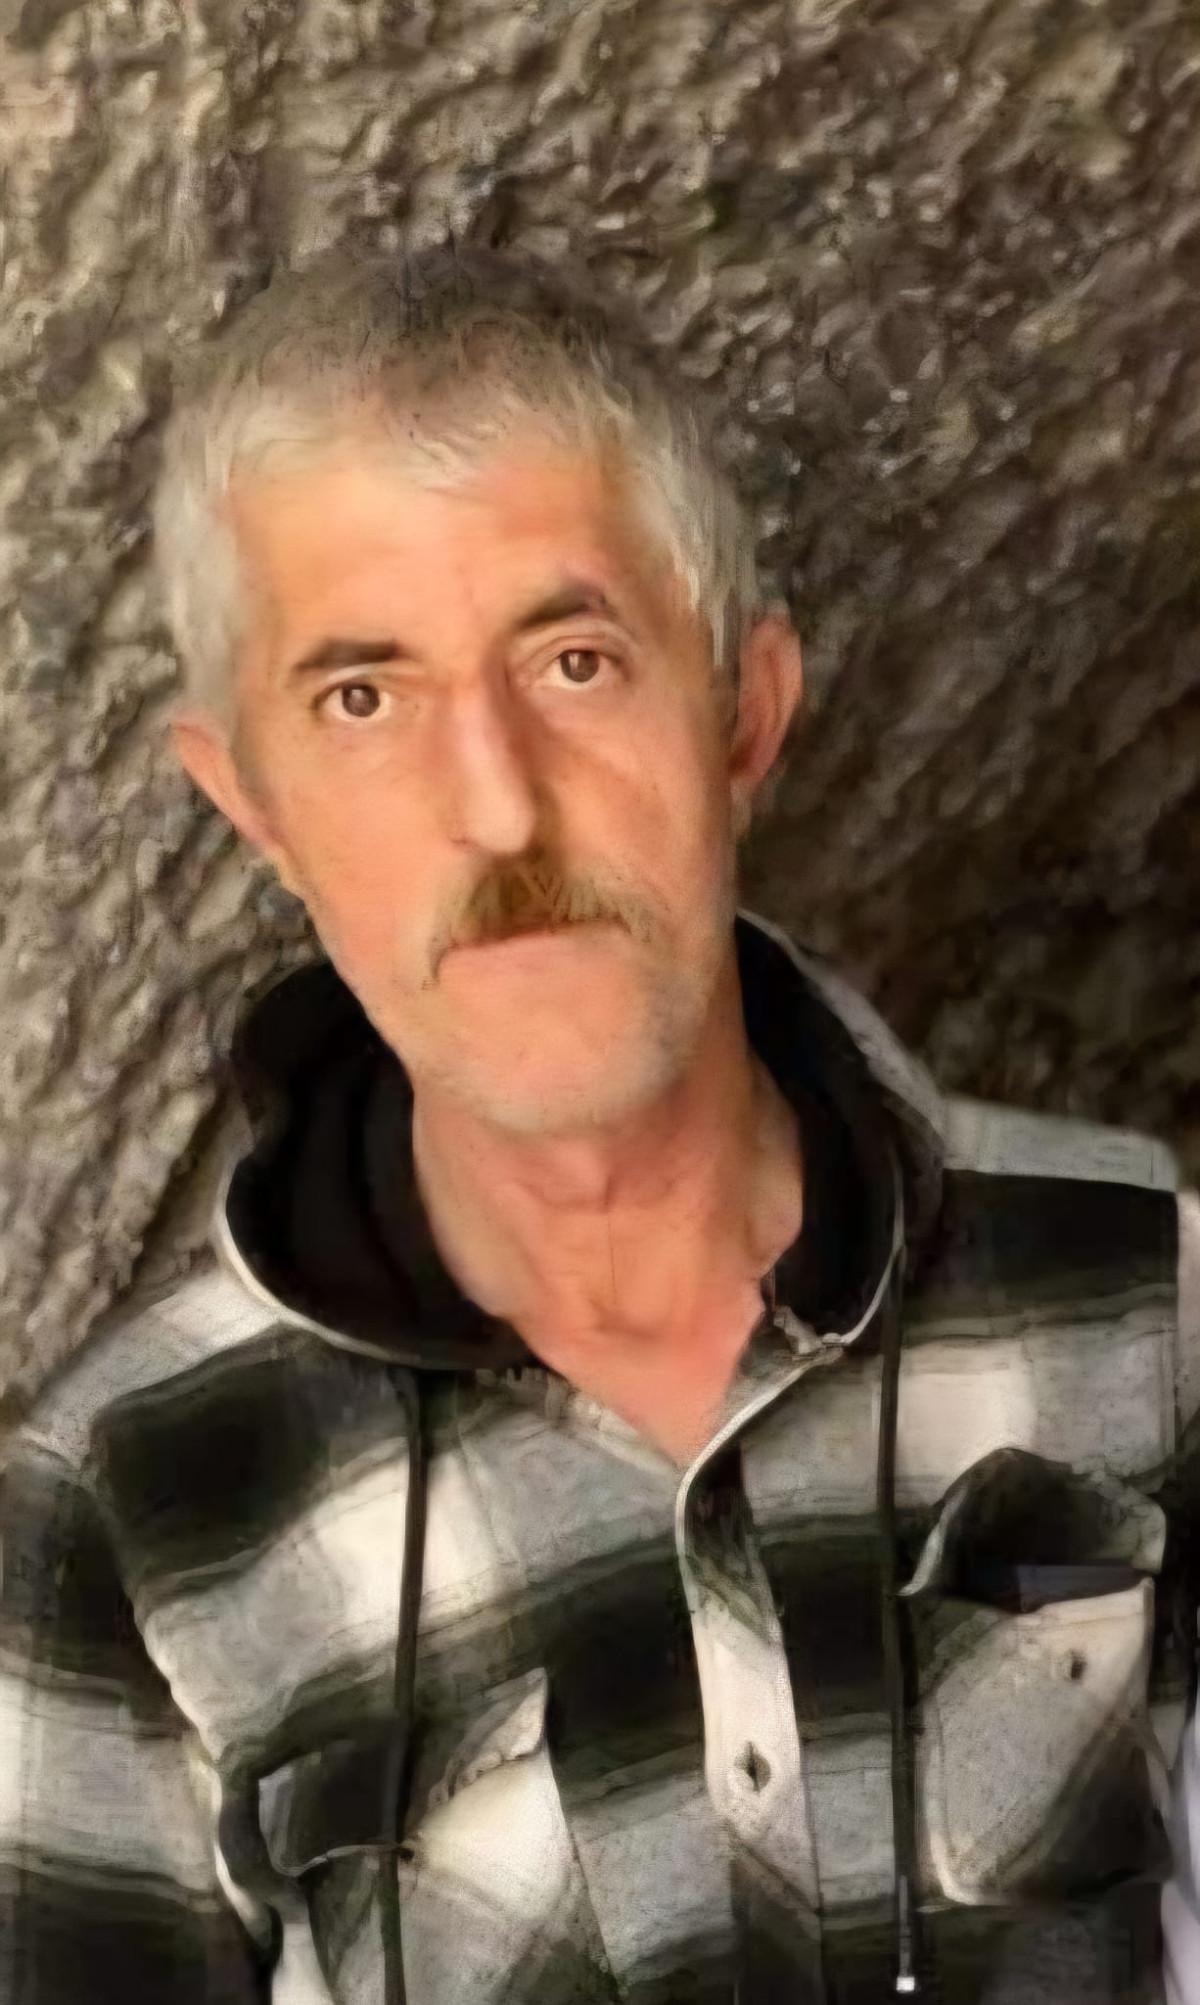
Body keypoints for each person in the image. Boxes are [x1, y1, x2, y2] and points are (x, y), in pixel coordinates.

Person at [2, 239, 1198, 2005]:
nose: (500, 807)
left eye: (574, 661)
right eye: (363, 697)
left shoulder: (1147, 1287)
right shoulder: (122, 1509)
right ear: (252, 805)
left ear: (745, 714)